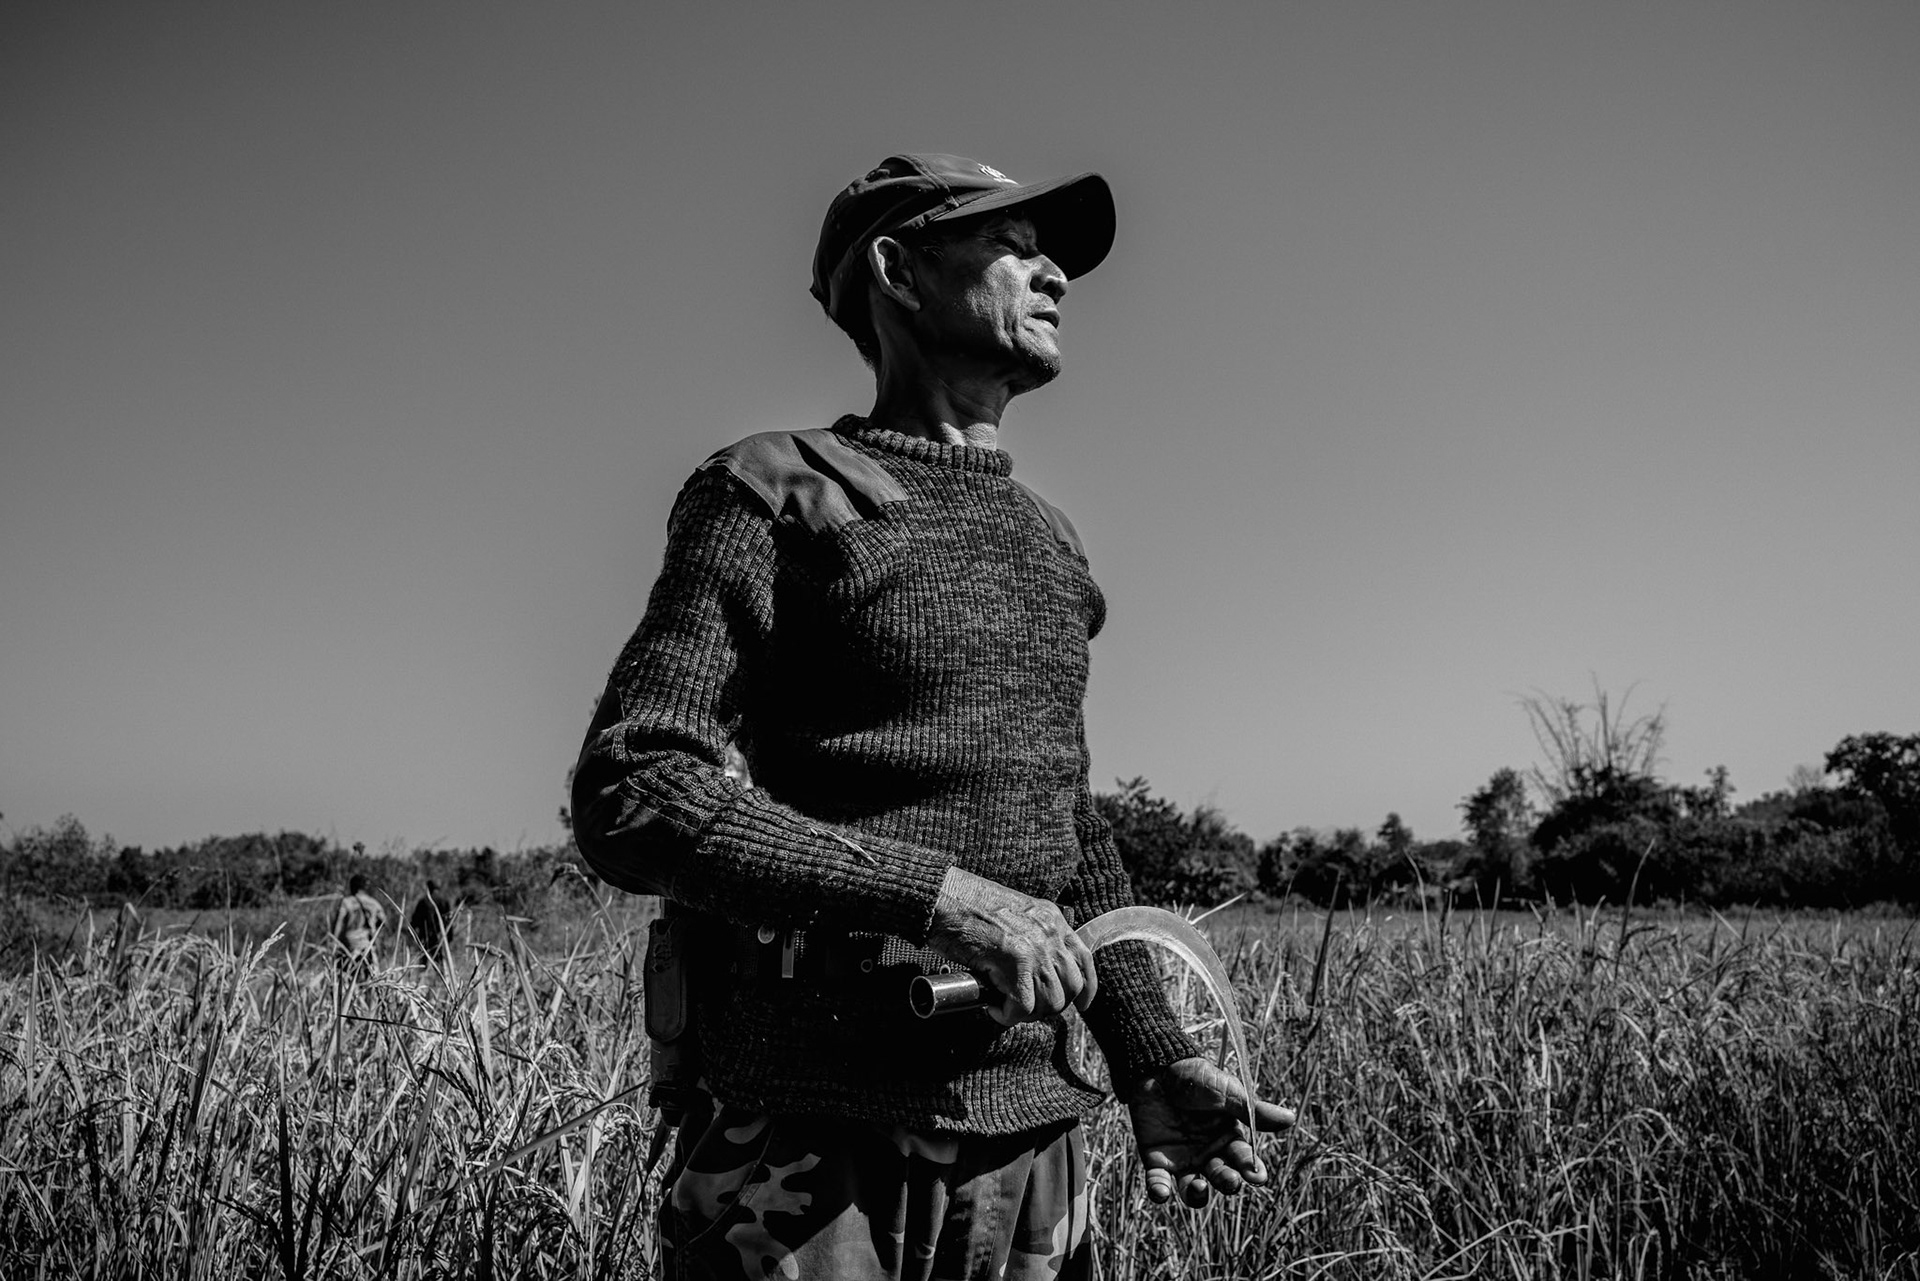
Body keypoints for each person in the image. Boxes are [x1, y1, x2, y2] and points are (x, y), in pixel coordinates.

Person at [572, 153, 1292, 1279]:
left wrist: (1149, 1056)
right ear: (898, 270)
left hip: (1032, 1146)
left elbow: (1064, 834)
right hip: (808, 1147)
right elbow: (635, 790)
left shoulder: (1052, 544)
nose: (1053, 271)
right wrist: (944, 899)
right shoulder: (774, 490)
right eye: (1011, 244)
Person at [329, 872, 385, 976]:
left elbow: (338, 924)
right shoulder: (374, 903)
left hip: (349, 944)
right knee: (369, 977)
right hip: (367, 944)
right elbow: (383, 921)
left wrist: (334, 944)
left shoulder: (346, 902)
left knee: (347, 977)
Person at [408, 878, 452, 965]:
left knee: (423, 961)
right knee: (439, 962)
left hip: (425, 936)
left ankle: (422, 977)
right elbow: (448, 920)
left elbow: (416, 919)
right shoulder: (444, 901)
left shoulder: (424, 901)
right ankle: (442, 976)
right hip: (439, 936)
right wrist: (449, 936)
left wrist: (412, 932)